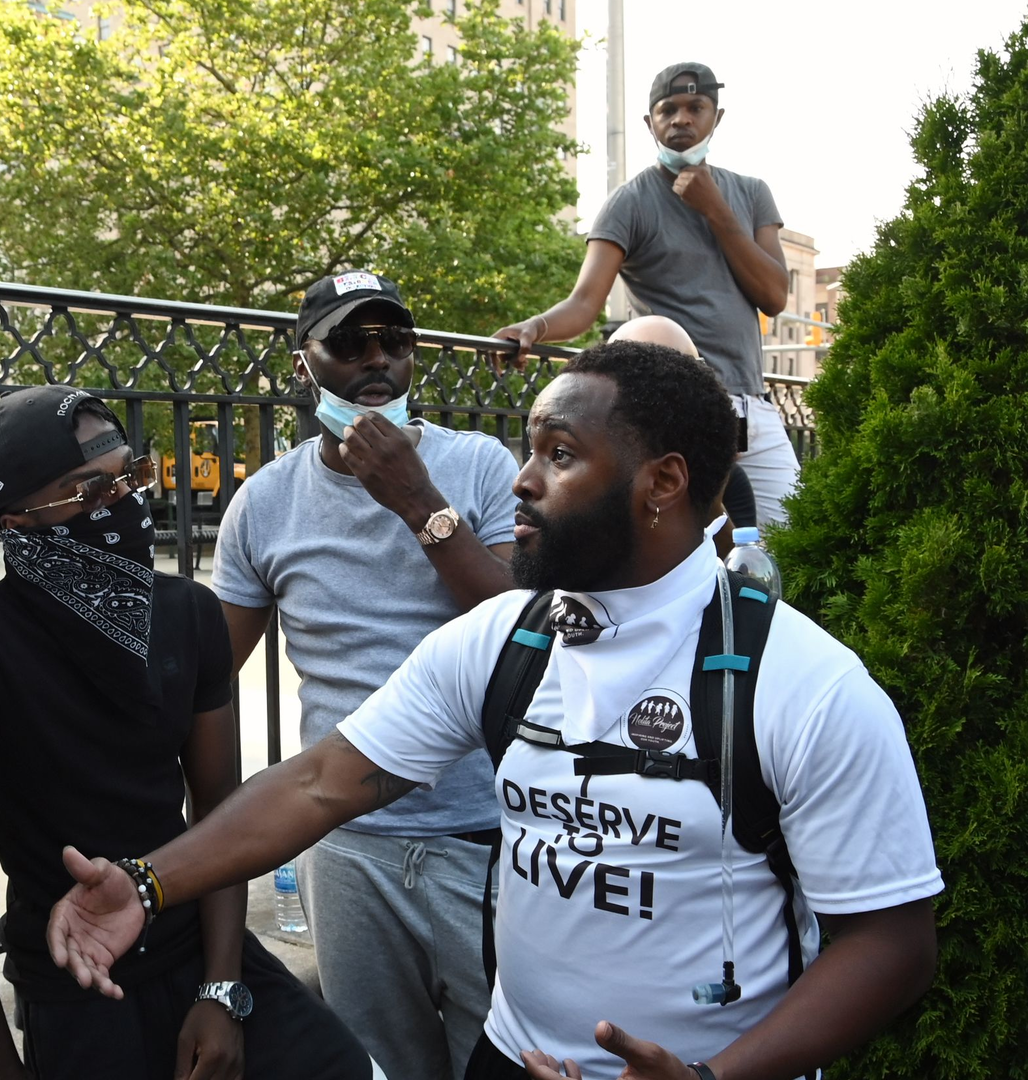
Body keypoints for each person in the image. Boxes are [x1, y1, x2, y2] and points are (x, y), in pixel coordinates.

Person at [50, 339, 943, 1080]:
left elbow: (894, 943)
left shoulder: (803, 684)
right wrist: (147, 880)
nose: (520, 481)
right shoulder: (504, 640)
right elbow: (325, 780)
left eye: (558, 454)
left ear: (662, 483)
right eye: (527, 449)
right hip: (509, 1061)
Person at [0, 385, 370, 1080]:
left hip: (199, 945)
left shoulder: (188, 613)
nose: (122, 504)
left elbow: (220, 805)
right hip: (76, 974)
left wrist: (222, 990)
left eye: (131, 477)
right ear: (14, 519)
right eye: (87, 491)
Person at [212, 270, 520, 1080]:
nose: (377, 362)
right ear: (303, 364)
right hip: (346, 846)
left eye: (395, 343)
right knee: (376, 1065)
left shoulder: (483, 464)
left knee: (504, 1060)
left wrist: (415, 499)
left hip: (482, 835)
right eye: (350, 344)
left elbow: (519, 632)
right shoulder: (267, 502)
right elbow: (211, 674)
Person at [493, 63, 799, 527]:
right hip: (678, 408)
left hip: (752, 406)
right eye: (667, 109)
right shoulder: (629, 201)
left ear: (717, 117)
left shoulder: (752, 193)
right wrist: (534, 327)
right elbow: (584, 303)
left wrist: (714, 208)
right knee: (696, 544)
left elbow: (774, 295)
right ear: (649, 122)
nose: (681, 120)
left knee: (794, 538)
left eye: (695, 108)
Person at [606, 315, 757, 539]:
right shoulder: (592, 467)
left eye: (677, 378)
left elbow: (736, 564)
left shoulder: (725, 476)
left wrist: (709, 499)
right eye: (638, 376)